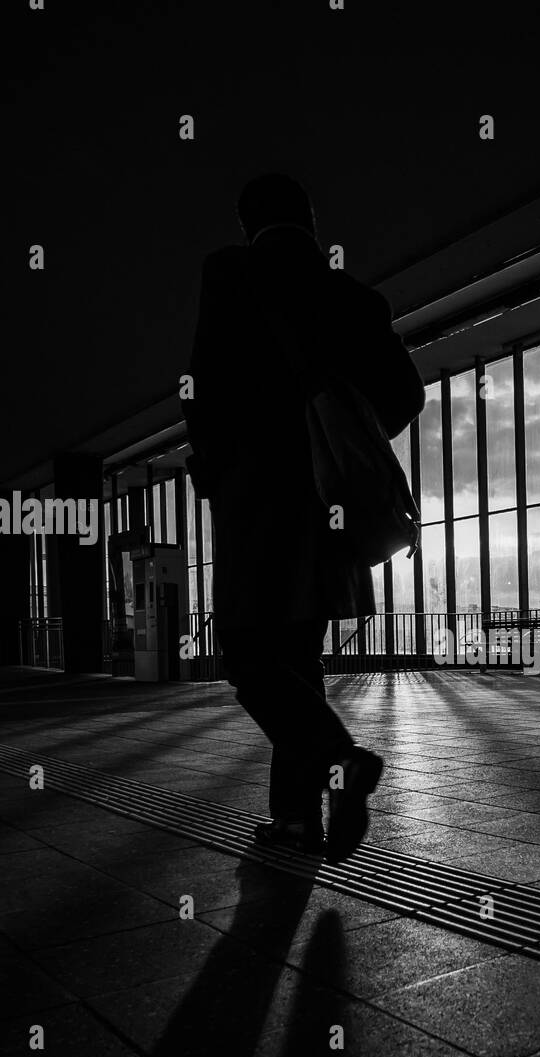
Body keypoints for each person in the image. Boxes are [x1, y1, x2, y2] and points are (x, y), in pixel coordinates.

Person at [183, 173, 424, 861]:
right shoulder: (353, 297)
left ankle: (342, 760)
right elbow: (406, 394)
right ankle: (296, 820)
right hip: (332, 507)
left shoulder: (231, 272)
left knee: (247, 655)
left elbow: (200, 387)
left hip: (258, 500)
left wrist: (218, 465)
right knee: (295, 657)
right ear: (311, 224)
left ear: (246, 222)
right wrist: (340, 431)